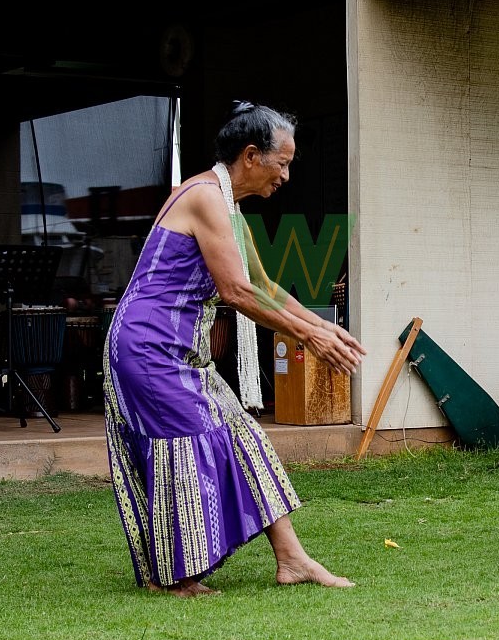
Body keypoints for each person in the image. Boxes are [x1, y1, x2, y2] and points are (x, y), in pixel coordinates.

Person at [102, 102, 366, 596]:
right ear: (251, 156)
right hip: (147, 349)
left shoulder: (228, 204)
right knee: (185, 449)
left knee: (244, 436)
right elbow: (237, 293)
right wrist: (306, 336)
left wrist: (323, 326)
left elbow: (263, 284)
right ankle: (178, 578)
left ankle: (291, 559)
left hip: (177, 352)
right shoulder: (203, 196)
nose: (286, 175)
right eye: (282, 162)